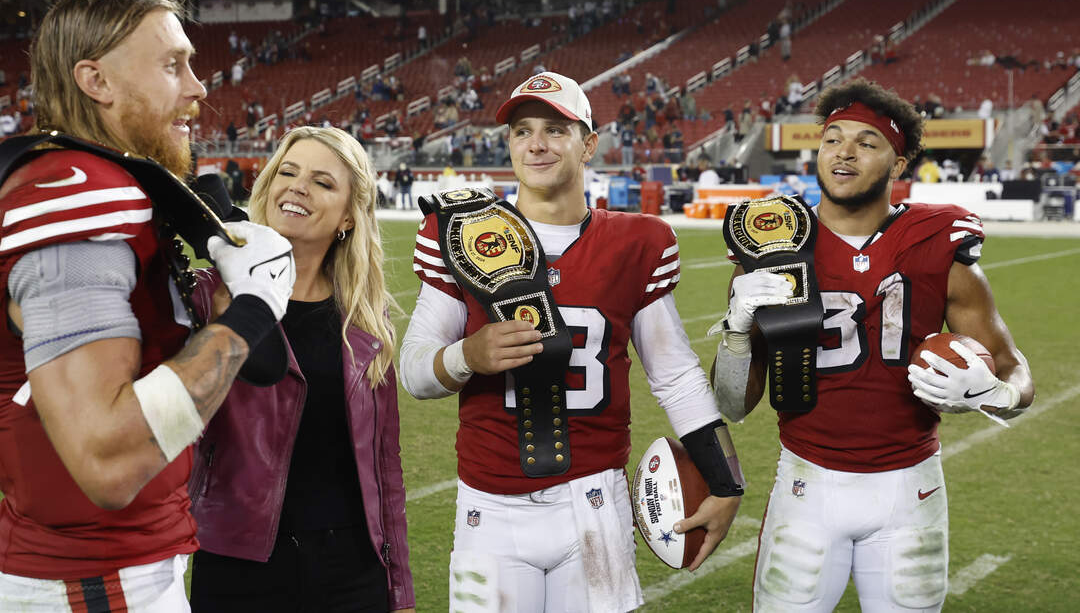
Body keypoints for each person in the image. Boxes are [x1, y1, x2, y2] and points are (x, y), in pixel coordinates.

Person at [0, 0, 296, 610]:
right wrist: (253, 308)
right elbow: (107, 460)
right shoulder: (76, 200)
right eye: (172, 65)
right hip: (94, 579)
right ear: (95, 80)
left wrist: (233, 305)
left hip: (96, 565)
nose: (199, 87)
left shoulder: (63, 176)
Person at [400, 72, 744, 612]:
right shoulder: (462, 234)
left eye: (555, 130)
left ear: (588, 144)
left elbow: (675, 376)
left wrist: (726, 483)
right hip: (489, 507)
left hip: (595, 503)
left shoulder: (637, 241)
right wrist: (468, 355)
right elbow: (415, 370)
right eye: (522, 131)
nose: (536, 144)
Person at [709, 79, 1034, 612]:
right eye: (833, 138)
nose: (844, 152)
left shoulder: (938, 245)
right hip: (807, 483)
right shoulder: (773, 247)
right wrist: (736, 332)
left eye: (866, 142)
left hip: (910, 488)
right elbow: (732, 405)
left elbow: (1012, 367)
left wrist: (996, 394)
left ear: (898, 163)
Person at [188, 127, 414, 612]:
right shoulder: (207, 295)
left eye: (322, 182)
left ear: (348, 217)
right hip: (238, 566)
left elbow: (385, 464)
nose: (297, 187)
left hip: (354, 573)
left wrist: (400, 589)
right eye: (287, 173)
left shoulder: (365, 319)